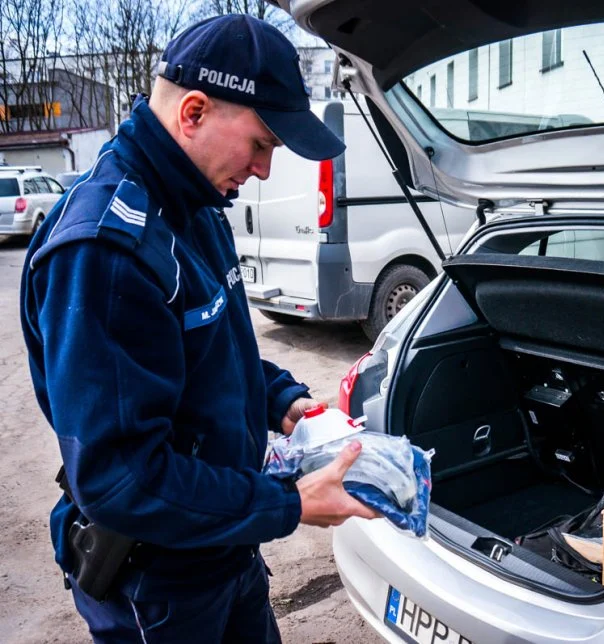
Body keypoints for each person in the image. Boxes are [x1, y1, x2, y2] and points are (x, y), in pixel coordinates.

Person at [19, 14, 378, 643]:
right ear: (193, 113)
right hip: (158, 584)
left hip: (222, 545)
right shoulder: (106, 253)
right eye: (262, 144)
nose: (265, 170)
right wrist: (289, 505)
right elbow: (121, 479)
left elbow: (214, 352)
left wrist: (284, 400)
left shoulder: (197, 206)